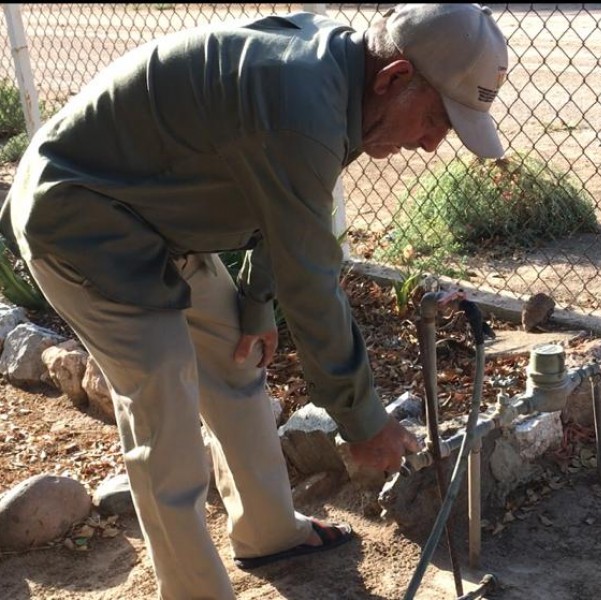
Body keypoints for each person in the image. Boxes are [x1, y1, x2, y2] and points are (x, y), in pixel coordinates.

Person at [0, 3, 508, 599]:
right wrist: (362, 418)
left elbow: (286, 206)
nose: (429, 145)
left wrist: (256, 302)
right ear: (395, 77)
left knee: (237, 358)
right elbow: (313, 280)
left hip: (154, 207)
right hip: (82, 216)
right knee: (163, 399)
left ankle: (268, 531)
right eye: (436, 121)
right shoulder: (304, 104)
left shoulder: (344, 78)